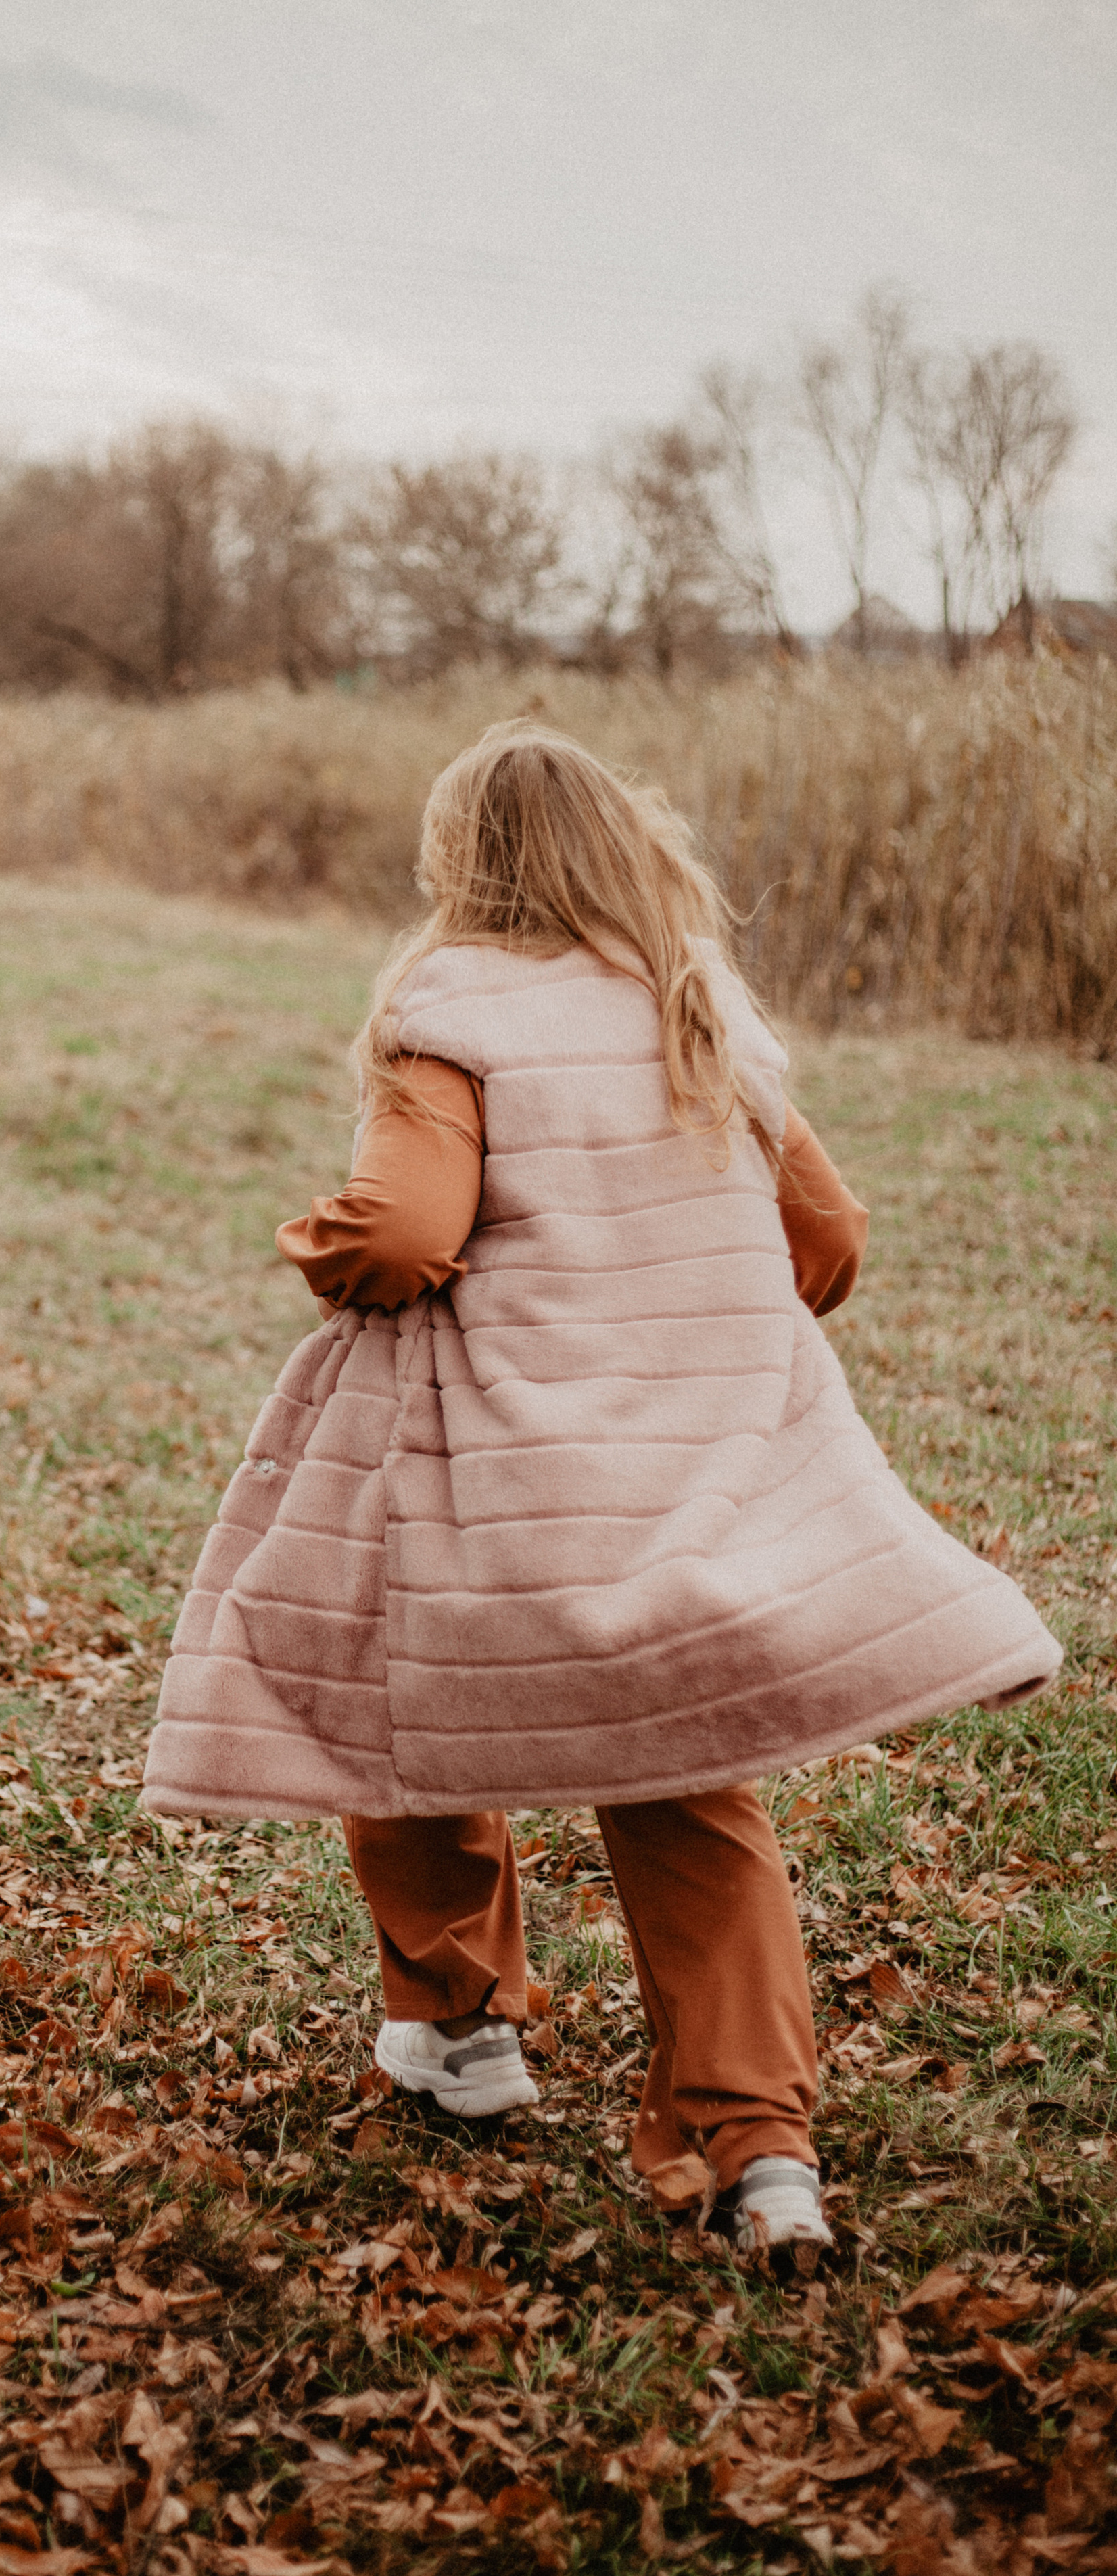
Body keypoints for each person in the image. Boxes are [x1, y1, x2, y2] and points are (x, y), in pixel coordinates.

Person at [143, 724, 1060, 2257]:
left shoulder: (446, 1012)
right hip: (673, 1493)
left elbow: (403, 1232)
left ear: (464, 863)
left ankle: (460, 2027)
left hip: (499, 1485)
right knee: (685, 1781)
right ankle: (762, 2148)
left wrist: (319, 1239)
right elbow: (822, 1242)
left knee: (404, 1696)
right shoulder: (699, 1008)